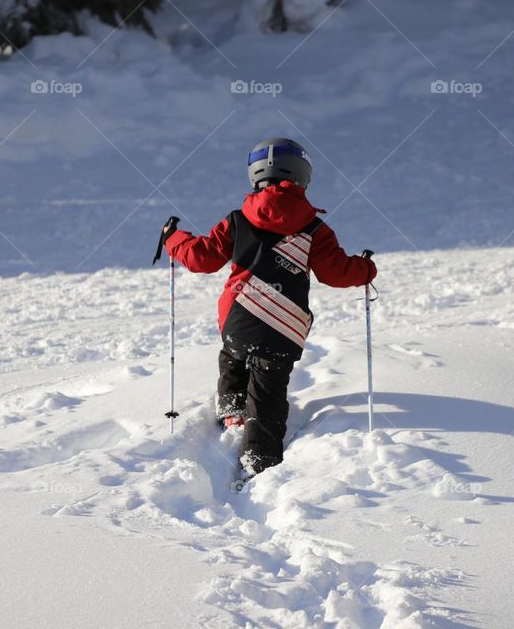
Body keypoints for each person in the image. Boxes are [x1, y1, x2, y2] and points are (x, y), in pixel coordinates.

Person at [155, 137, 377, 477]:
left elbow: (201, 258)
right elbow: (337, 273)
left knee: (234, 355)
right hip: (282, 328)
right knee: (269, 392)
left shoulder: (236, 220)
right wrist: (366, 268)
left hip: (238, 318)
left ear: (255, 176)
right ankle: (259, 461)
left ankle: (231, 409)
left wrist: (173, 239)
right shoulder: (315, 230)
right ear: (304, 176)